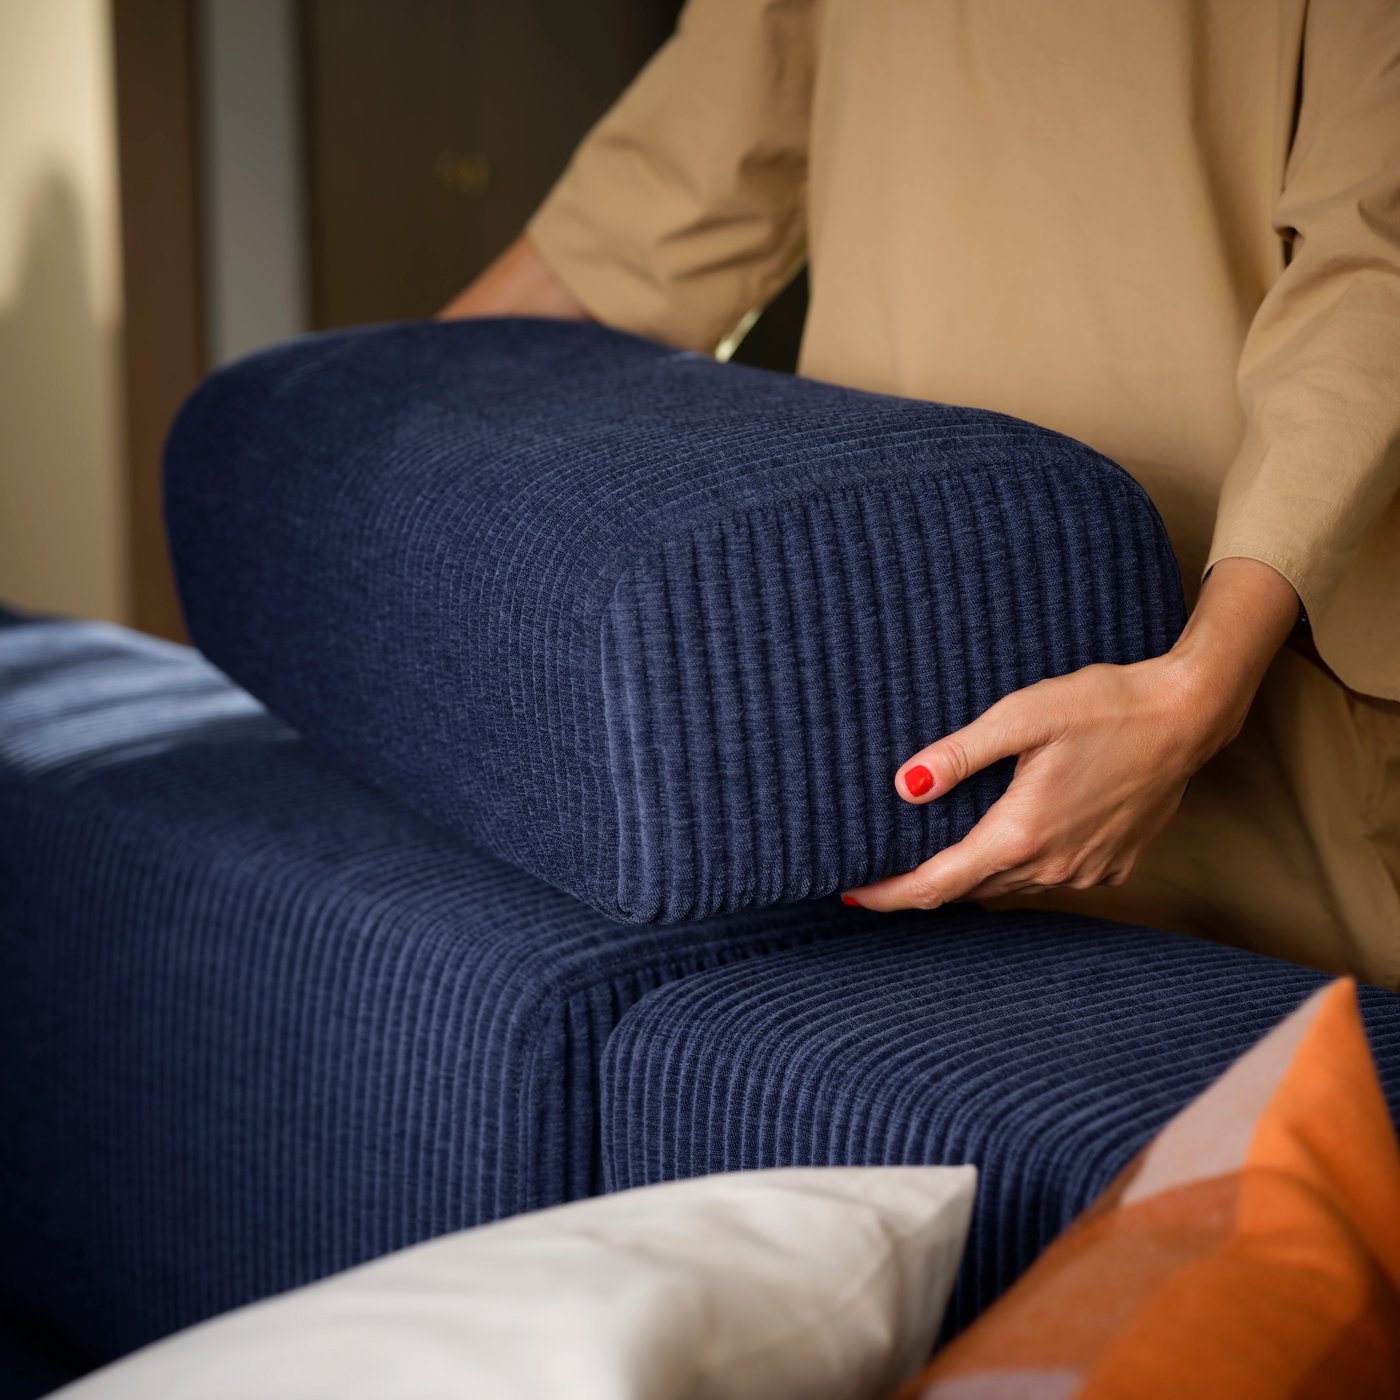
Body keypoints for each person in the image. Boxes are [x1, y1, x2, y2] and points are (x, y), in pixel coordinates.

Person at [442, 0, 1400, 988]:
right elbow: (644, 217)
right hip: (876, 663)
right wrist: (380, 425)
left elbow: (1372, 263)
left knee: (1293, 1062)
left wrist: (1197, 690)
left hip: (1243, 653)